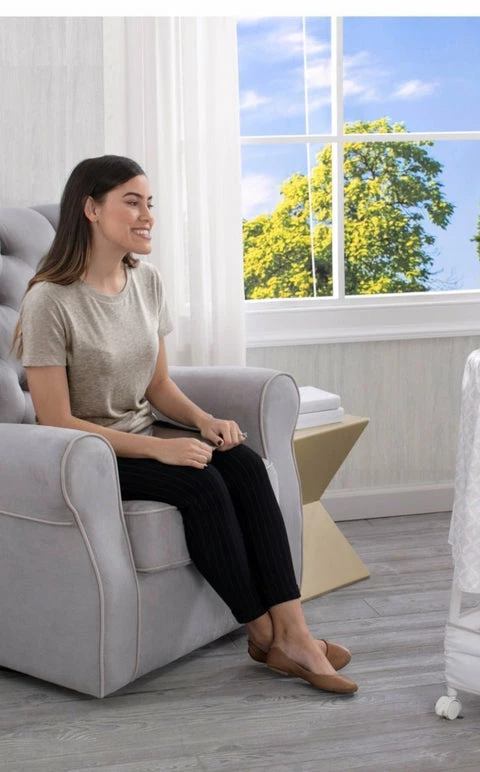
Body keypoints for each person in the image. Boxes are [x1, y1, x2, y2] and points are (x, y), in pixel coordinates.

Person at [11, 155, 356, 695]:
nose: (147, 215)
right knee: (201, 483)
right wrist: (161, 451)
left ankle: (294, 631)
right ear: (91, 209)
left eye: (149, 203)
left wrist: (205, 421)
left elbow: (158, 385)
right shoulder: (48, 300)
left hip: (142, 435)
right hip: (87, 456)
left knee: (243, 465)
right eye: (132, 202)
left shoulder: (145, 282)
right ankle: (264, 635)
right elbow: (56, 419)